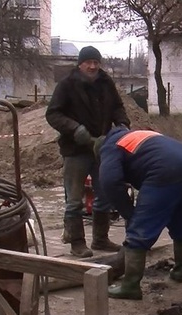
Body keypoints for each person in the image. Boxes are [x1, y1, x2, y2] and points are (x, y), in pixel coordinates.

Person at [96, 127, 182, 300]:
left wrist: (129, 213)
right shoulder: (139, 136)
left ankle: (130, 286)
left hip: (164, 170)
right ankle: (180, 271)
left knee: (140, 230)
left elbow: (109, 182)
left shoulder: (110, 146)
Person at [46, 45, 130, 257]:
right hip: (75, 149)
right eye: (88, 62)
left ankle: (100, 239)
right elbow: (53, 114)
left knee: (106, 192)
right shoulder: (67, 85)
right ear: (80, 64)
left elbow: (117, 107)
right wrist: (75, 129)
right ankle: (77, 243)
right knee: (75, 199)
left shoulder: (105, 83)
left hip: (102, 147)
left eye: (96, 62)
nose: (93, 66)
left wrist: (122, 124)